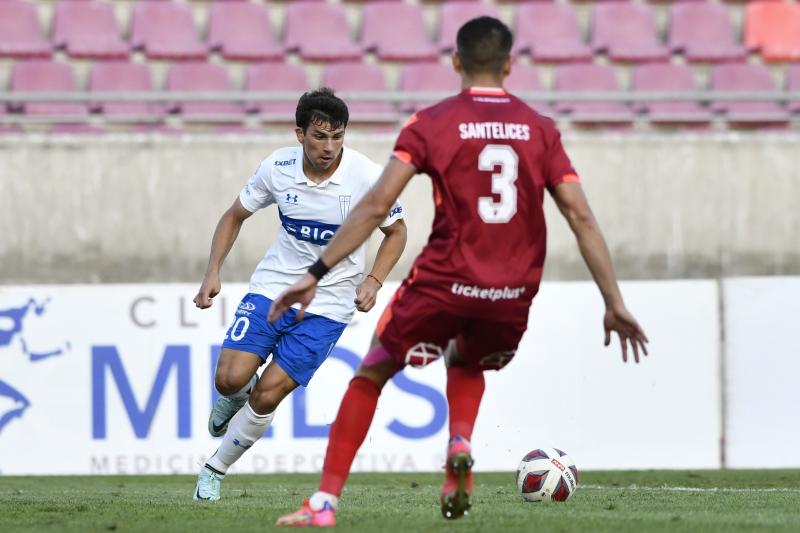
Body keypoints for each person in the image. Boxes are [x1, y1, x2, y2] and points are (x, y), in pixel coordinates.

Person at [270, 17, 649, 527]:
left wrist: (315, 272)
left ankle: (324, 502)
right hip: (512, 289)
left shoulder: (432, 123)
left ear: (456, 62)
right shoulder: (541, 129)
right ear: (509, 65)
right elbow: (580, 216)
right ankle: (461, 441)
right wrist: (614, 302)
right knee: (467, 360)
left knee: (372, 371)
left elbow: (377, 205)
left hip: (444, 281)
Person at [192, 88, 407, 501]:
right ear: (299, 134)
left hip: (330, 304)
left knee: (267, 394)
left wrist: (374, 280)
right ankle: (235, 394)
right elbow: (234, 216)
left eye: (337, 137)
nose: (329, 147)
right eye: (319, 136)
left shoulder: (366, 176)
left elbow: (396, 232)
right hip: (275, 287)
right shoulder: (278, 167)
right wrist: (212, 271)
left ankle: (214, 470)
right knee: (229, 379)